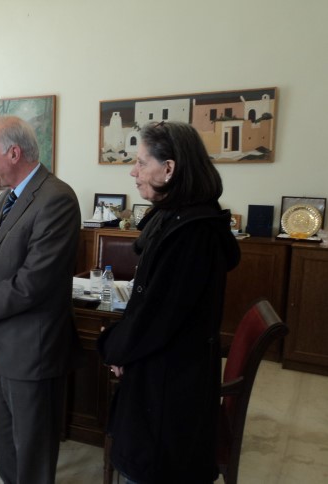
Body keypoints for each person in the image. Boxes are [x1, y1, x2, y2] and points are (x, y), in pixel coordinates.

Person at [97, 121, 241, 484]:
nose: (133, 171)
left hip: (169, 391)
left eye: (141, 162)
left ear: (169, 168)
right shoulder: (176, 216)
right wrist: (124, 349)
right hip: (160, 374)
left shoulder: (192, 232)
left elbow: (157, 317)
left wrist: (116, 349)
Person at [0, 115, 82, 484]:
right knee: (6, 447)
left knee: (32, 454)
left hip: (34, 351)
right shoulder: (7, 198)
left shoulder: (57, 198)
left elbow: (33, 282)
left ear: (13, 153)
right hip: (2, 346)